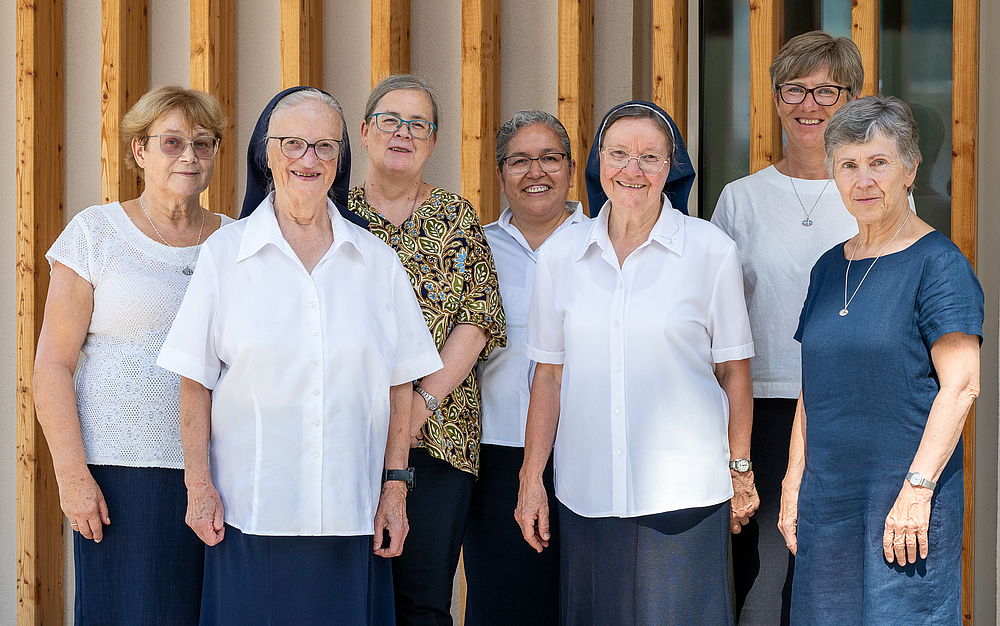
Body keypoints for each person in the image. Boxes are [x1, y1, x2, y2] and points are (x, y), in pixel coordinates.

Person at [156, 87, 444, 625]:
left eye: (324, 147)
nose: (308, 160)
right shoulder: (225, 254)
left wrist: (395, 491)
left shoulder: (377, 262)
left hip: (351, 515)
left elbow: (399, 384)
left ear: (340, 158)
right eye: (293, 144)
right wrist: (198, 487)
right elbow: (195, 381)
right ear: (267, 153)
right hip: (249, 516)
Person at [515, 101, 758, 626]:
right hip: (587, 493)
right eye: (619, 154)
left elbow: (734, 371)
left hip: (686, 495)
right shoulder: (560, 255)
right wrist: (531, 478)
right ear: (599, 163)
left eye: (650, 157)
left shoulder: (710, 250)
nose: (633, 170)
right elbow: (548, 376)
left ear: (671, 168)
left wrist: (741, 469)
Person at [779, 95, 983, 624]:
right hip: (828, 506)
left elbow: (961, 386)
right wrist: (792, 482)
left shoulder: (939, 264)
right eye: (848, 165)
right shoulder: (827, 268)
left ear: (910, 169)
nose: (862, 179)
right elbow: (813, 386)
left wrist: (917, 490)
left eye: (879, 162)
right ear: (832, 174)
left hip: (904, 507)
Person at [32, 85, 229, 625]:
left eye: (203, 143)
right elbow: (52, 365)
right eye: (171, 142)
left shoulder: (234, 242)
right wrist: (72, 476)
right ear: (139, 151)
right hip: (122, 476)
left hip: (219, 474)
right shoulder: (96, 233)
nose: (189, 155)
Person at [709, 31, 864, 624]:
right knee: (763, 586)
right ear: (775, 99)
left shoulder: (868, 194)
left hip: (847, 409)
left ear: (849, 100)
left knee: (838, 578)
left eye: (827, 91)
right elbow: (717, 322)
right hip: (764, 413)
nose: (810, 105)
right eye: (795, 89)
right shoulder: (740, 200)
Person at [347, 74, 506, 626]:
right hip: (347, 432)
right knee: (351, 594)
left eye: (418, 125)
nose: (403, 133)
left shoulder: (456, 215)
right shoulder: (333, 214)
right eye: (390, 120)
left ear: (433, 142)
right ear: (365, 132)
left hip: (439, 436)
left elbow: (478, 318)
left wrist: (420, 405)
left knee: (423, 599)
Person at [462, 110, 586, 626]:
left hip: (585, 453)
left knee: (579, 602)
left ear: (572, 169)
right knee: (502, 603)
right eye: (519, 161)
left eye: (549, 158)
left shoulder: (602, 245)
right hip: (495, 456)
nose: (536, 172)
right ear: (499, 174)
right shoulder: (474, 247)